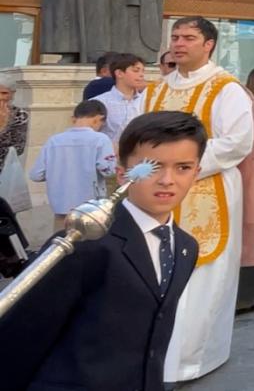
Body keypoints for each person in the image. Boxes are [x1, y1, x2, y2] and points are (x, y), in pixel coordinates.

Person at [0, 111, 204, 391]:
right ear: (122, 173)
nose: (168, 180)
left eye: (183, 167)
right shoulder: (84, 244)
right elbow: (22, 333)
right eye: (153, 167)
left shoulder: (184, 247)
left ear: (197, 172)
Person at [145, 16, 254, 382]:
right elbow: (135, 136)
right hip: (156, 197)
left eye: (188, 37)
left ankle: (192, 360)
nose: (179, 43)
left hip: (209, 193)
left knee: (202, 281)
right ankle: (155, 358)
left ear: (208, 44)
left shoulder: (226, 88)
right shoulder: (155, 90)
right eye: (175, 36)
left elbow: (237, 142)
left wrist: (181, 168)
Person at [29, 99, 117, 232]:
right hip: (90, 210)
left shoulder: (54, 141)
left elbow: (36, 174)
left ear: (73, 118)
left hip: (61, 207)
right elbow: (108, 171)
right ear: (98, 119)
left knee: (61, 247)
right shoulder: (100, 139)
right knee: (89, 248)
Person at [95, 52, 147, 146]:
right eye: (136, 71)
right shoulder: (100, 103)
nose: (141, 75)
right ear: (119, 73)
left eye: (143, 71)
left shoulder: (147, 100)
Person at [0, 79, 30, 179]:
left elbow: (19, 148)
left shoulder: (20, 114)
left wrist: (2, 125)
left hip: (4, 172)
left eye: (4, 93)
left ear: (12, 94)